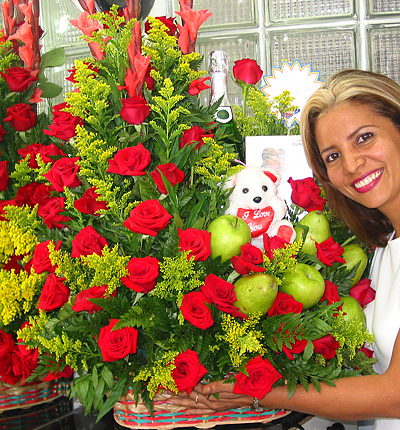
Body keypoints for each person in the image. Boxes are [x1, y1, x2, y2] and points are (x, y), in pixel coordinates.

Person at [167, 69, 400, 429]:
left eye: (365, 138)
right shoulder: (386, 244)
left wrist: (257, 390)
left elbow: (394, 394)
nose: (352, 164)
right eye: (333, 156)